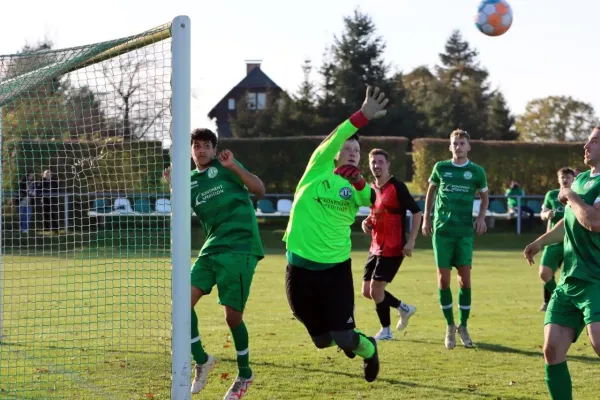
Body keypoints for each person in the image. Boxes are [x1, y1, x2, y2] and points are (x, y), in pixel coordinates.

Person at [283, 86, 388, 383]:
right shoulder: (317, 169)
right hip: (300, 269)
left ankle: (369, 349)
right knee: (320, 340)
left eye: (358, 151)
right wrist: (362, 116)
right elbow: (338, 134)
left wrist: (358, 184)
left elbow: (379, 201)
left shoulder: (357, 187)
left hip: (335, 271)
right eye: (349, 149)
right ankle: (343, 340)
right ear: (336, 151)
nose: (354, 154)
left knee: (344, 336)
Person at [164, 128, 265, 399]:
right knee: (181, 303)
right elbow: (181, 215)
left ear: (214, 148)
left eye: (206, 145)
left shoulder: (226, 166)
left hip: (241, 247)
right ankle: (202, 359)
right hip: (212, 248)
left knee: (233, 318)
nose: (201, 150)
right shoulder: (189, 181)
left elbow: (259, 189)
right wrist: (175, 187)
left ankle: (245, 373)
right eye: (196, 146)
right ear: (191, 151)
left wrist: (235, 167)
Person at [523, 126, 600, 400]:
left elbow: (593, 221)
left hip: (597, 281)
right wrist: (539, 242)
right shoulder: (579, 182)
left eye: (593, 141)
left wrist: (570, 195)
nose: (586, 146)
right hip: (569, 282)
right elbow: (568, 223)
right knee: (552, 351)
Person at [421, 129, 489, 350]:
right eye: (454, 143)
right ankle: (450, 326)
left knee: (465, 280)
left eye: (462, 143)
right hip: (442, 231)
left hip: (464, 233)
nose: (458, 146)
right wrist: (426, 218)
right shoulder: (441, 168)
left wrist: (481, 217)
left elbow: (485, 197)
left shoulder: (477, 172)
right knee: (443, 280)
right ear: (450, 147)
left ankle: (464, 326)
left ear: (469, 146)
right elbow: (431, 192)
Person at [361, 148, 422, 341]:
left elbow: (417, 213)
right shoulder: (371, 188)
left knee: (376, 290)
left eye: (380, 162)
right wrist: (367, 221)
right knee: (366, 291)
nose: (377, 166)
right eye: (373, 163)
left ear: (388, 164)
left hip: (394, 247)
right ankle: (403, 308)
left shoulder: (397, 187)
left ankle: (385, 331)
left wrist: (411, 241)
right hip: (375, 246)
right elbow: (376, 212)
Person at [538, 167, 576, 312]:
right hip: (553, 242)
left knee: (571, 277)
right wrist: (546, 214)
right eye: (562, 177)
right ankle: (560, 299)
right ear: (558, 179)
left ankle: (565, 303)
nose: (565, 180)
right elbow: (542, 212)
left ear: (573, 179)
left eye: (568, 177)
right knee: (544, 273)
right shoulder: (551, 195)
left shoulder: (577, 195)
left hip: (572, 242)